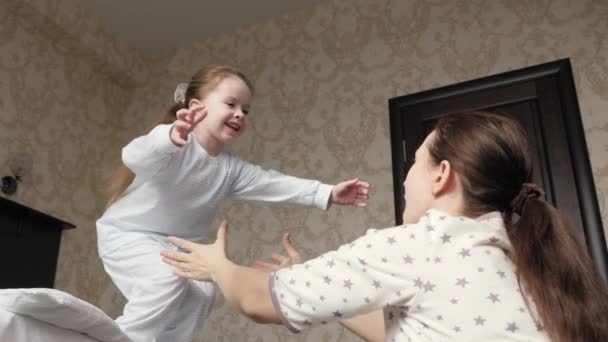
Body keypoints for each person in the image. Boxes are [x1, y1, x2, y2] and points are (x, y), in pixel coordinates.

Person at [161, 111, 608, 342]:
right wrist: (309, 274)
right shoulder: (516, 253)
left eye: (414, 163)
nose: (405, 177)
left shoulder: (422, 244)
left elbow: (256, 301)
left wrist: (218, 265)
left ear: (441, 175)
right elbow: (408, 331)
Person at [96, 65, 371, 342]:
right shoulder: (173, 143)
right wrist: (168, 138)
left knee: (204, 292)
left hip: (175, 246)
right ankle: (124, 338)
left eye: (246, 110)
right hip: (128, 234)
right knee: (164, 280)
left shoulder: (231, 170)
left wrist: (328, 193)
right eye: (231, 104)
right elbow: (134, 156)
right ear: (196, 106)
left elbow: (275, 184)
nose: (240, 113)